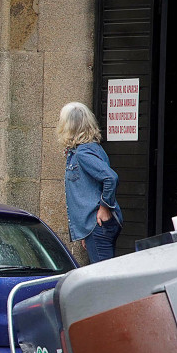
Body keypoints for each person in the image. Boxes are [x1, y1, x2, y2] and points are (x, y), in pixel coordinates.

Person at [58, 101, 122, 263]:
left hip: (98, 223)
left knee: (103, 280)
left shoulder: (83, 153)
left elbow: (110, 178)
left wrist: (104, 206)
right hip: (94, 226)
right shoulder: (90, 149)